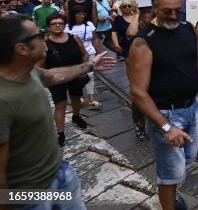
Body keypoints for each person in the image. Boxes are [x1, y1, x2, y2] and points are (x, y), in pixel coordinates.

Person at [0, 14, 115, 208]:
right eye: (38, 35)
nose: (44, 37)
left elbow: (52, 76)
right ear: (21, 49)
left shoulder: (28, 71)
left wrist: (89, 66)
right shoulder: (3, 100)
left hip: (60, 173)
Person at [129, 0, 198, 210]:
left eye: (178, 10)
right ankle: (169, 201)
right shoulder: (143, 43)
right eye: (167, 12)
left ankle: (173, 192)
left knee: (185, 160)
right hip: (166, 114)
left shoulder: (187, 28)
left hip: (192, 109)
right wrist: (166, 127)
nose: (174, 16)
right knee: (170, 173)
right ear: (155, 8)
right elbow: (138, 92)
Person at [39, 14, 90, 147]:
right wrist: (48, 78)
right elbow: (41, 64)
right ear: (48, 27)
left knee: (76, 97)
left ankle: (77, 116)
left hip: (75, 75)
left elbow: (84, 54)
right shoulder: (44, 44)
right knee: (59, 105)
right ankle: (60, 132)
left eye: (60, 23)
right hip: (56, 79)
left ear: (64, 25)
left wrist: (83, 69)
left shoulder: (74, 38)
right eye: (54, 23)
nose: (57, 25)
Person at [65, 5, 103, 109]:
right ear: (73, 15)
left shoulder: (89, 24)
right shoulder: (67, 27)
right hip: (74, 55)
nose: (82, 16)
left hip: (90, 52)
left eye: (83, 14)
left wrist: (99, 52)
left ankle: (91, 99)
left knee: (90, 75)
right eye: (79, 14)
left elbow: (95, 39)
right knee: (76, 76)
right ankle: (79, 96)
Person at [126, 6, 154, 140]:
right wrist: (138, 13)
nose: (151, 14)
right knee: (139, 96)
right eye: (147, 12)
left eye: (152, 11)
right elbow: (130, 33)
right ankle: (140, 124)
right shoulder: (137, 29)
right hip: (138, 67)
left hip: (156, 66)